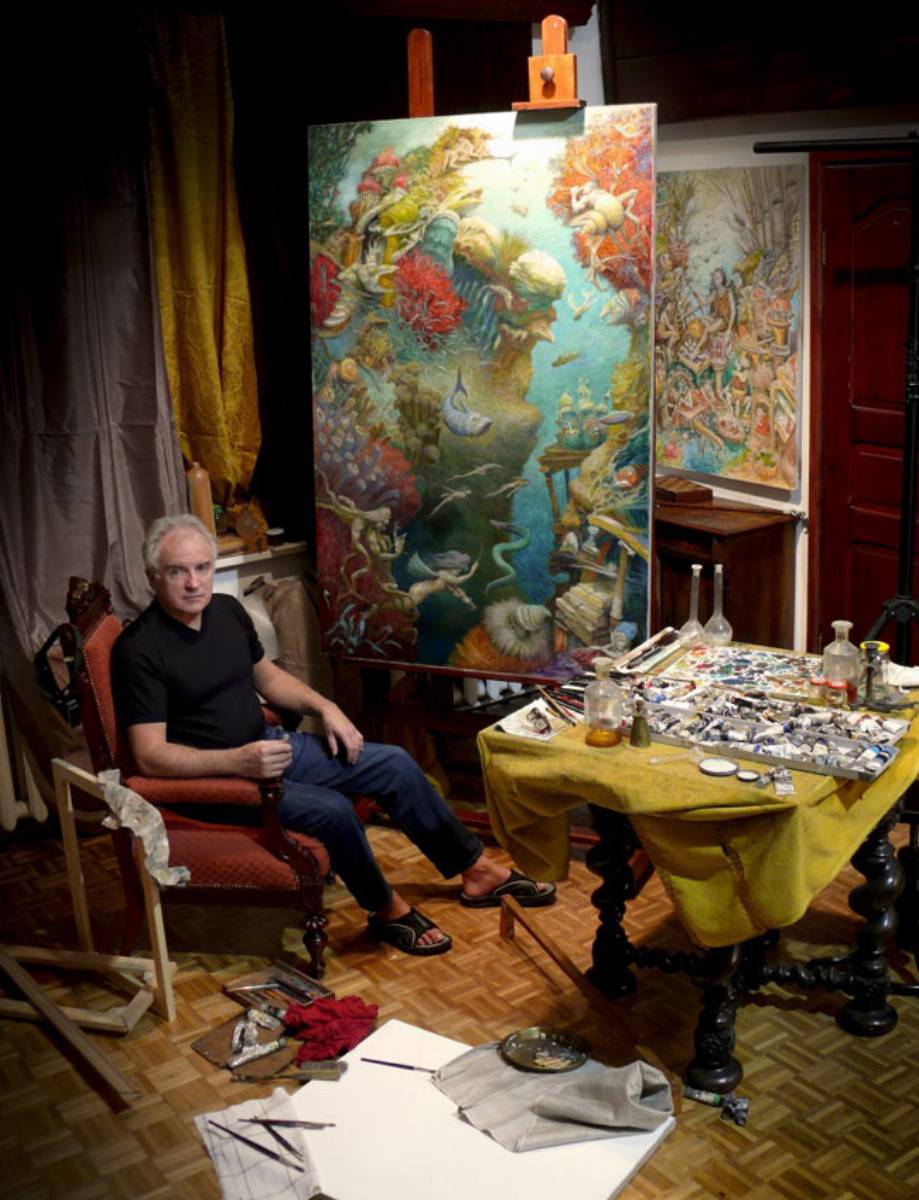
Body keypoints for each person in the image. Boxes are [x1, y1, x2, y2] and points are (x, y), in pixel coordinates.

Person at [111, 514, 555, 957]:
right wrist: (239, 761)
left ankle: (474, 870)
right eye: (177, 571)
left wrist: (327, 708)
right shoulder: (140, 650)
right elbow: (149, 756)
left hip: (269, 747)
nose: (194, 582)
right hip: (219, 782)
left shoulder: (226, 611)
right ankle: (385, 909)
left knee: (395, 764)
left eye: (202, 567)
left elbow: (268, 679)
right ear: (152, 577)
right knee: (333, 810)